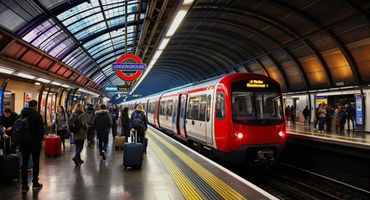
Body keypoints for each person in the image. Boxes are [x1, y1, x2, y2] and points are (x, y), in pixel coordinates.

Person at [19, 100, 44, 193]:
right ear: (35, 106)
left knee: (24, 164)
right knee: (35, 163)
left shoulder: (21, 114)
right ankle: (35, 183)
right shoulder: (37, 115)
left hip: (24, 143)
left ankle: (24, 186)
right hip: (35, 143)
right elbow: (41, 131)